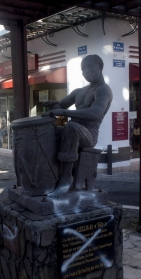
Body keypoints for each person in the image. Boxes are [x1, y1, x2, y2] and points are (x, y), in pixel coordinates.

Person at [41, 54, 113, 197]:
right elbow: (60, 106)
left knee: (71, 127)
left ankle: (66, 177)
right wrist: (53, 105)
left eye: (89, 67)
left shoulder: (103, 90)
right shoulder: (79, 92)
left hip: (89, 133)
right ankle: (47, 173)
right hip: (72, 130)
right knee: (50, 129)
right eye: (83, 69)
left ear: (100, 67)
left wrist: (63, 112)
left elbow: (95, 113)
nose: (85, 72)